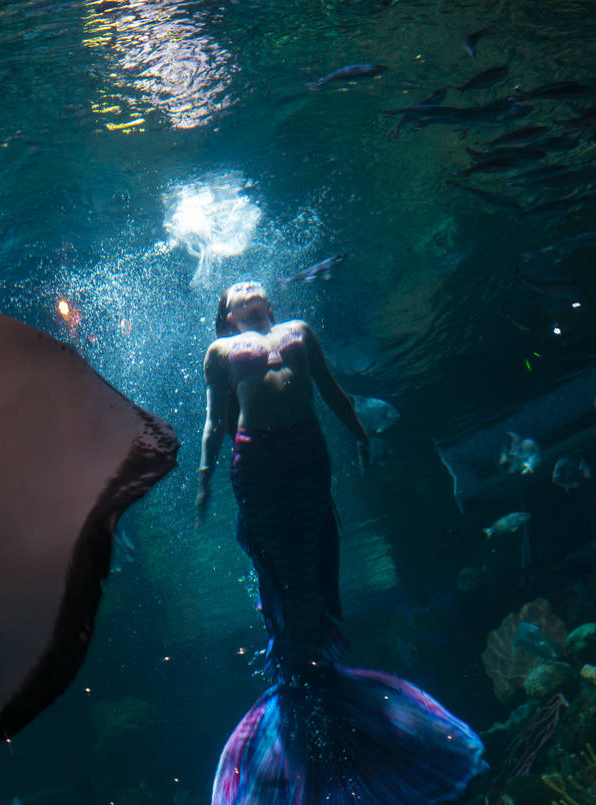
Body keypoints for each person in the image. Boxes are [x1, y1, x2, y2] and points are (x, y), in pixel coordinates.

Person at [197, 282, 486, 805]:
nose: (245, 286)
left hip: (307, 454)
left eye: (251, 285)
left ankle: (316, 690)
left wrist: (358, 432)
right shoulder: (218, 351)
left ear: (267, 303)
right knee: (278, 573)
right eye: (234, 290)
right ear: (226, 314)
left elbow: (331, 391)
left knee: (310, 575)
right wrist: (202, 475)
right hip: (255, 460)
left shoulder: (299, 332)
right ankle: (297, 695)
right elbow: (215, 420)